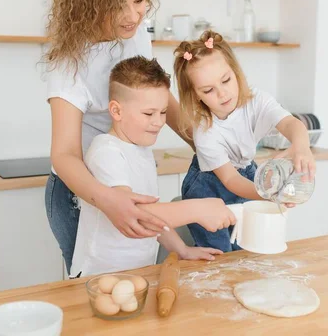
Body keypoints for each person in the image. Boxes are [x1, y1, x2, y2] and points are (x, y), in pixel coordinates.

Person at [43, 0, 193, 273]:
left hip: (126, 174)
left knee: (133, 279)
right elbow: (64, 154)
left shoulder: (135, 31)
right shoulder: (69, 61)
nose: (132, 15)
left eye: (138, 0)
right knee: (90, 288)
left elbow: (155, 95)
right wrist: (106, 199)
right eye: (116, 5)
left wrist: (203, 141)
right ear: (91, 4)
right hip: (80, 189)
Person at [71, 56, 236, 277]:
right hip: (100, 276)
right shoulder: (107, 152)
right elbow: (136, 215)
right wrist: (199, 209)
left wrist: (182, 250)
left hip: (137, 273)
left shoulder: (141, 150)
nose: (158, 122)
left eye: (163, 112)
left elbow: (155, 220)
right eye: (149, 113)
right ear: (116, 111)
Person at [173, 30, 316, 252]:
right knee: (219, 253)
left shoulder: (257, 101)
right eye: (209, 90)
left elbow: (291, 124)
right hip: (209, 186)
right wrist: (268, 195)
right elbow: (230, 179)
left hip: (247, 174)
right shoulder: (205, 131)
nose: (222, 94)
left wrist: (301, 146)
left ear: (236, 71)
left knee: (248, 245)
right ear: (195, 95)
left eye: (226, 80)